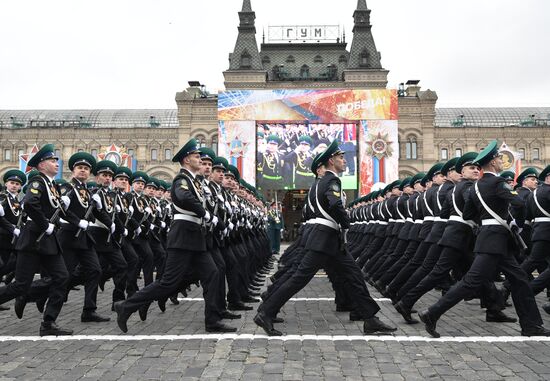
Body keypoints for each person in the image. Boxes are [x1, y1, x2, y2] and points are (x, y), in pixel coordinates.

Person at [254, 140, 396, 336]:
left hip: (327, 240)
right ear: (331, 161)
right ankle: (266, 312)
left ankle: (370, 318)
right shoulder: (332, 180)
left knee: (354, 275)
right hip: (324, 239)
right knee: (299, 278)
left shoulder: (318, 183)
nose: (344, 161)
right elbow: (335, 204)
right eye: (340, 158)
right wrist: (347, 223)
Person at [418, 140, 550, 337]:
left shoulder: (477, 186)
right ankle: (432, 312)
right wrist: (517, 224)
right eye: (498, 158)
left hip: (491, 240)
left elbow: (468, 214)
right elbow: (519, 204)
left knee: (520, 279)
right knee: (471, 281)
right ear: (493, 163)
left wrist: (488, 222)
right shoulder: (497, 182)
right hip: (495, 241)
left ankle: (531, 325)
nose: (499, 160)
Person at [114, 138, 236, 333]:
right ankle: (127, 305)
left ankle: (212, 321)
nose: (200, 159)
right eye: (197, 157)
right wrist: (205, 213)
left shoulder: (194, 182)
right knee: (168, 282)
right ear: (187, 160)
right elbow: (182, 197)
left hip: (195, 236)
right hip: (183, 236)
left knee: (213, 273)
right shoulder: (182, 180)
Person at [0, 144, 72, 336]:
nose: (56, 163)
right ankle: (26, 298)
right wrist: (44, 224)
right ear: (41, 165)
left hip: (48, 240)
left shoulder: (53, 186)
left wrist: (71, 214)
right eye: (52, 160)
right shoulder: (38, 182)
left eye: (56, 160)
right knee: (20, 285)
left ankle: (48, 323)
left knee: (62, 277)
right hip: (34, 238)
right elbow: (30, 203)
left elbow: (57, 210)